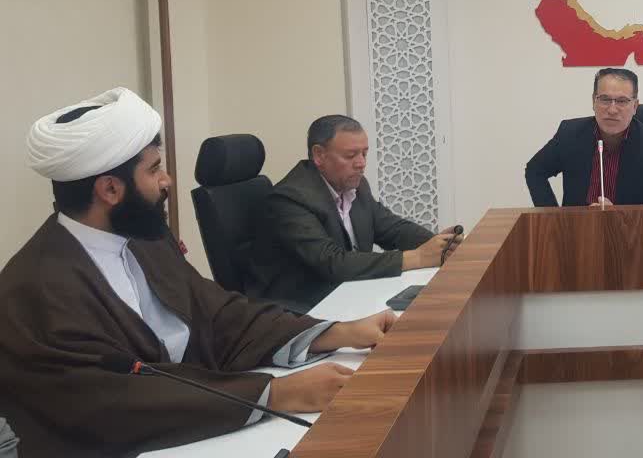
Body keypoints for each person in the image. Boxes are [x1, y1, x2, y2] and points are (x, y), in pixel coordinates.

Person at [0, 88, 395, 457]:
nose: (167, 181)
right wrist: (274, 394)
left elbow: (219, 313)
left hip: (202, 427)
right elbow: (113, 405)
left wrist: (333, 333)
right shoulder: (33, 290)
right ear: (110, 190)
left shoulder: (145, 240)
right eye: (155, 170)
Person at [250, 115, 461, 310]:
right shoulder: (289, 199)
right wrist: (418, 257)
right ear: (319, 155)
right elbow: (332, 263)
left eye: (364, 153)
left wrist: (443, 245)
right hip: (300, 307)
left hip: (348, 293)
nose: (361, 163)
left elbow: (392, 228)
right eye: (350, 155)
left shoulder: (355, 185)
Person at [525, 68, 643, 207]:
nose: (612, 110)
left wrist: (619, 218)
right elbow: (535, 170)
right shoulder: (570, 134)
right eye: (605, 99)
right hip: (577, 226)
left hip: (630, 228)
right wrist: (552, 217)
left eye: (622, 101)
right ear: (593, 101)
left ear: (635, 106)